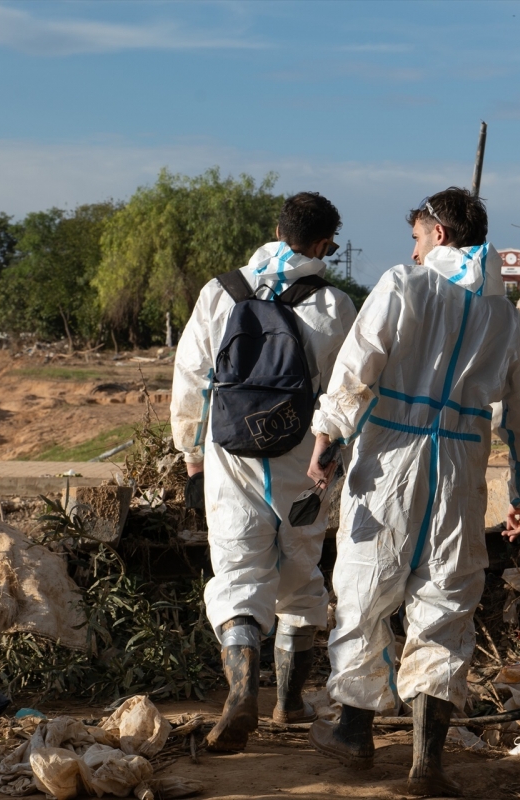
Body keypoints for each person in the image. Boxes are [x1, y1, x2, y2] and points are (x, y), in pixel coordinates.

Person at [305, 188, 520, 796]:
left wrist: (325, 441)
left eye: (417, 235)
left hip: (389, 458)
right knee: (446, 599)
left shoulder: (402, 285)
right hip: (463, 467)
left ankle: (355, 733)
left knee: (364, 590)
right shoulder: (505, 314)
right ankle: (427, 764)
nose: (411, 247)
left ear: (438, 234)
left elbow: (355, 371)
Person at [170, 192, 357, 752]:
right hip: (303, 455)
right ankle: (288, 701)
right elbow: (349, 392)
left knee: (235, 570)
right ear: (325, 244)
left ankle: (241, 688)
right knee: (300, 571)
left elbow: (192, 378)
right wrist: (338, 453)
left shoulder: (219, 291)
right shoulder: (333, 306)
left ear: (277, 230)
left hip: (229, 452)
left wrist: (192, 455)